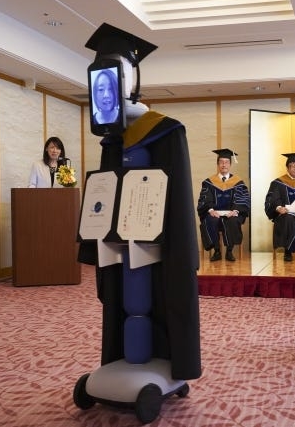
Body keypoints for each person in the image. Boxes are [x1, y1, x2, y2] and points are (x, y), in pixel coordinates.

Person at [79, 23, 201, 381]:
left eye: (113, 78)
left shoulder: (166, 130)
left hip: (158, 243)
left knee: (159, 290)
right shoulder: (111, 141)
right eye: (99, 83)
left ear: (131, 79)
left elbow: (177, 204)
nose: (106, 91)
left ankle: (164, 360)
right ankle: (124, 355)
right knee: (124, 291)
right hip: (123, 244)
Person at [197, 148, 250, 262]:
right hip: (214, 213)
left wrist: (235, 211)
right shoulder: (209, 182)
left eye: (226, 162)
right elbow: (205, 199)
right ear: (218, 164)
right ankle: (217, 251)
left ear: (230, 164)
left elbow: (242, 199)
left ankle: (229, 251)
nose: (224, 165)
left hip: (231, 213)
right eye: (221, 162)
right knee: (210, 220)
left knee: (232, 220)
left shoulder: (238, 182)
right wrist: (211, 210)